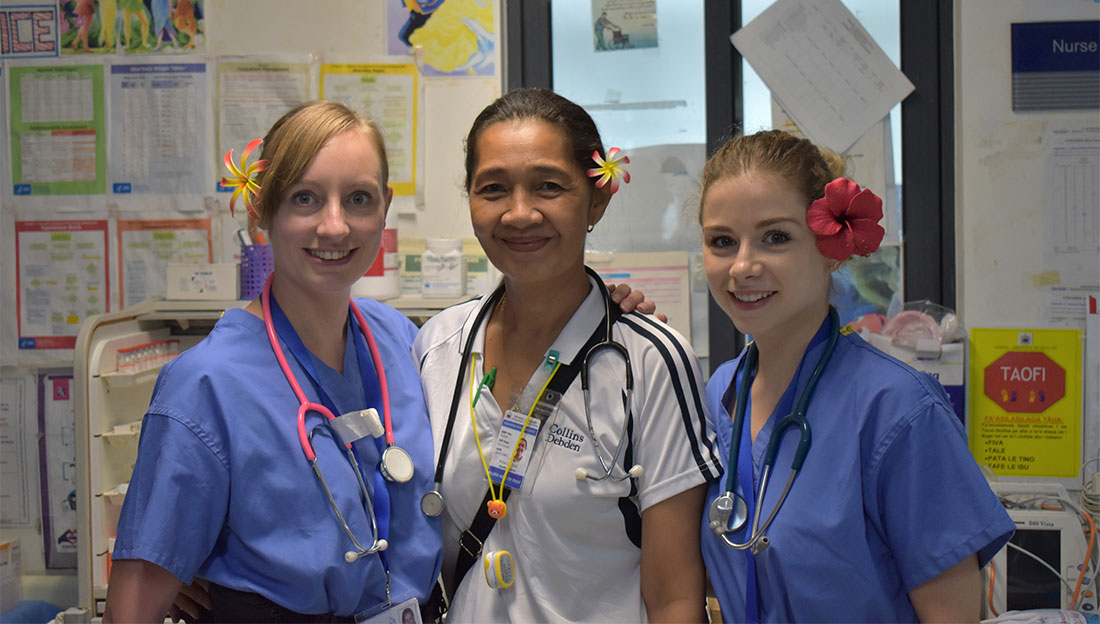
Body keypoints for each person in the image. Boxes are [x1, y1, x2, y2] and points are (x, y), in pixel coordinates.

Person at [104, 101, 443, 621]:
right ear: (261, 209)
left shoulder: (398, 337)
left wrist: (603, 308)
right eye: (304, 198)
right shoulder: (206, 384)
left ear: (385, 206)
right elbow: (132, 610)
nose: (335, 227)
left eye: (358, 199)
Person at [413, 88, 722, 622]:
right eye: (492, 189)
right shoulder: (437, 346)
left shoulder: (650, 361)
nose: (519, 213)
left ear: (596, 199)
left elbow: (675, 596)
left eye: (548, 187)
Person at [696, 129, 1014, 622]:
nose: (742, 266)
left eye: (775, 237)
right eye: (722, 241)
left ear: (831, 248)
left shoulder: (898, 410)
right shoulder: (722, 394)